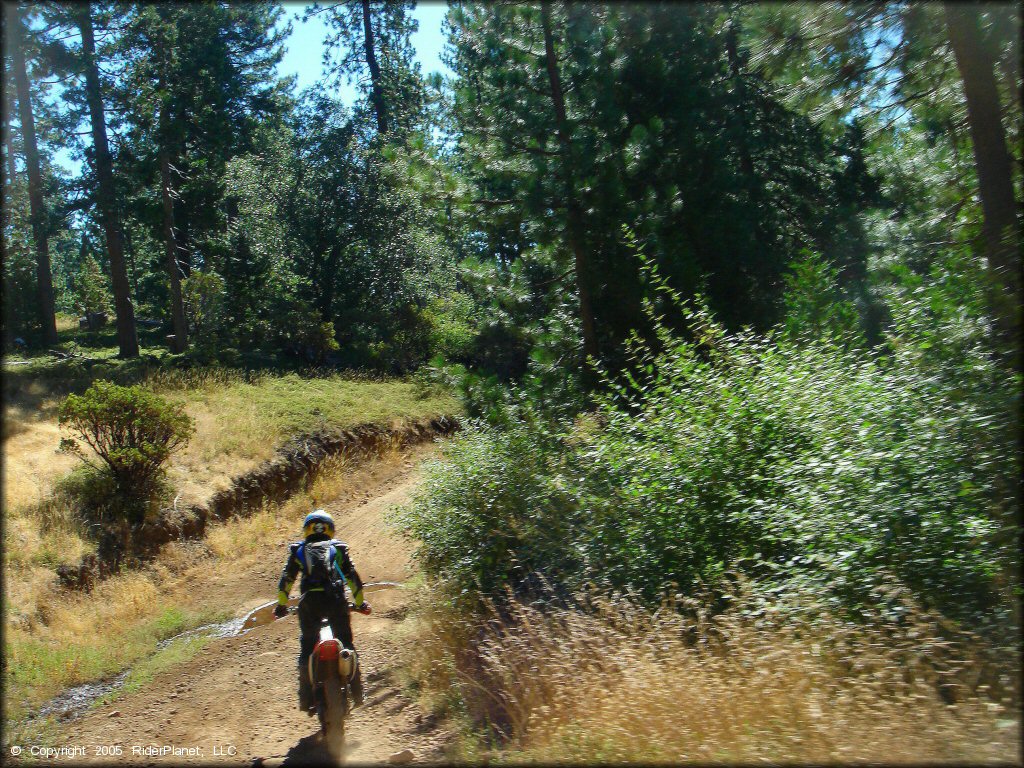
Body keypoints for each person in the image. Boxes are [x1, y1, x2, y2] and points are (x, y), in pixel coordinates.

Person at [275, 510, 369, 712]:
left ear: (307, 529)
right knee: (346, 641)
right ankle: (358, 692)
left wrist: (281, 606)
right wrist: (360, 604)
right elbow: (353, 579)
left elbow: (286, 581)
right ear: (330, 529)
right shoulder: (339, 549)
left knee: (308, 645)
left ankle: (305, 697)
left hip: (309, 604)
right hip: (336, 601)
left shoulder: (299, 550)